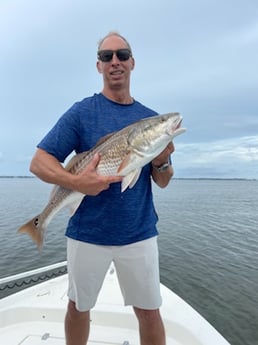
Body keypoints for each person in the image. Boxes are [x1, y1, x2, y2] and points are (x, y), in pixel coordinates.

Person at [30, 31, 175, 345]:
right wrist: (76, 182)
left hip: (139, 233)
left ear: (132, 62)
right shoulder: (82, 113)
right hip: (88, 234)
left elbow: (162, 180)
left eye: (122, 55)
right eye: (107, 56)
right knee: (79, 307)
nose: (115, 62)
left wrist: (162, 160)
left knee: (150, 311)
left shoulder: (149, 120)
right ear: (99, 66)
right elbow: (39, 162)